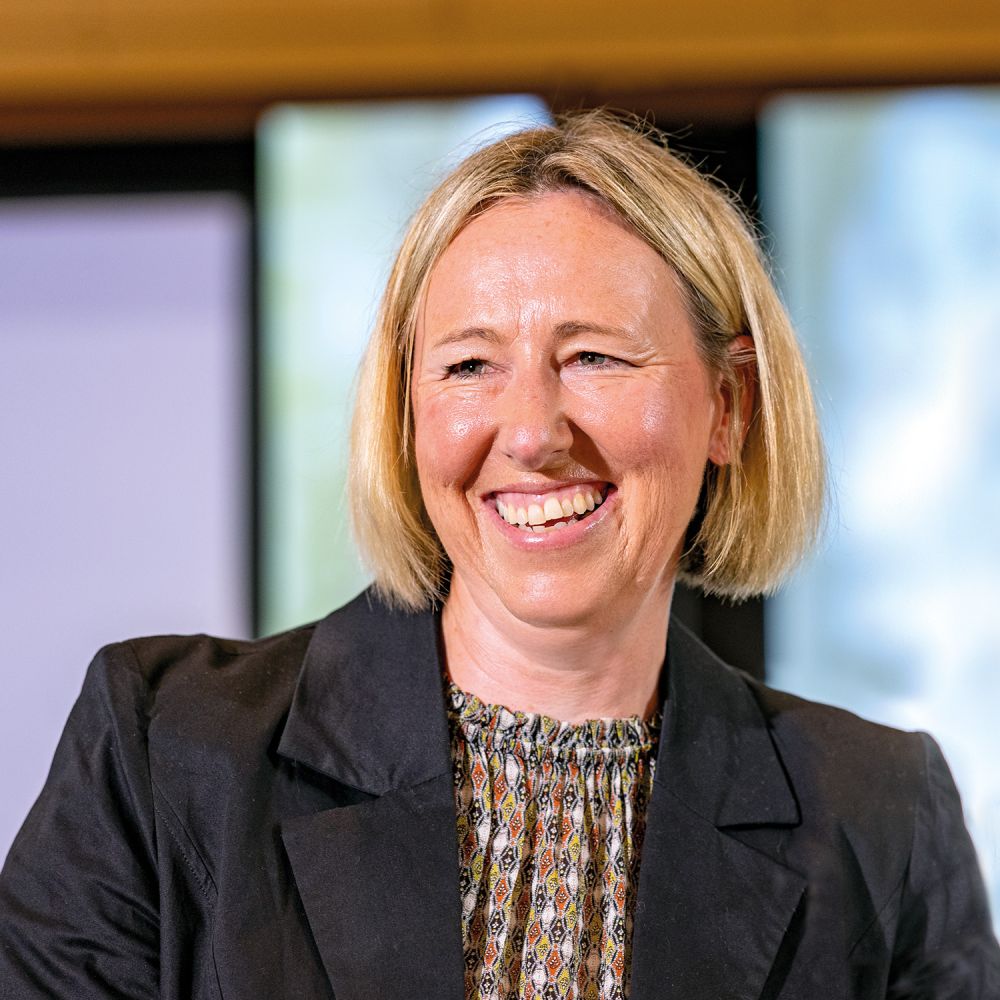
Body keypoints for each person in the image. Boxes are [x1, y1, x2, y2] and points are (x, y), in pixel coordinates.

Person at [1, 110, 997, 1000]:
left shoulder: (877, 814)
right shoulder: (167, 751)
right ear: (406, 415)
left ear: (727, 407)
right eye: (470, 364)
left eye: (594, 356)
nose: (531, 432)